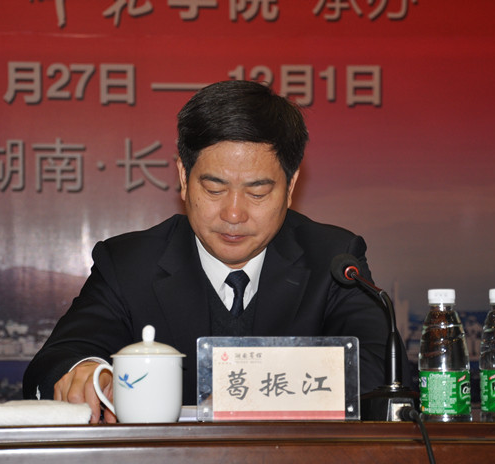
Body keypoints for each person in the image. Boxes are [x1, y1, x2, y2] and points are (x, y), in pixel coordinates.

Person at [23, 80, 398, 423]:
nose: (233, 214)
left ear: (291, 185)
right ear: (184, 178)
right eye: (215, 189)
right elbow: (55, 362)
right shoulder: (129, 263)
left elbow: (381, 373)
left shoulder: (332, 259)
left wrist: (246, 394)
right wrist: (86, 372)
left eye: (257, 192)